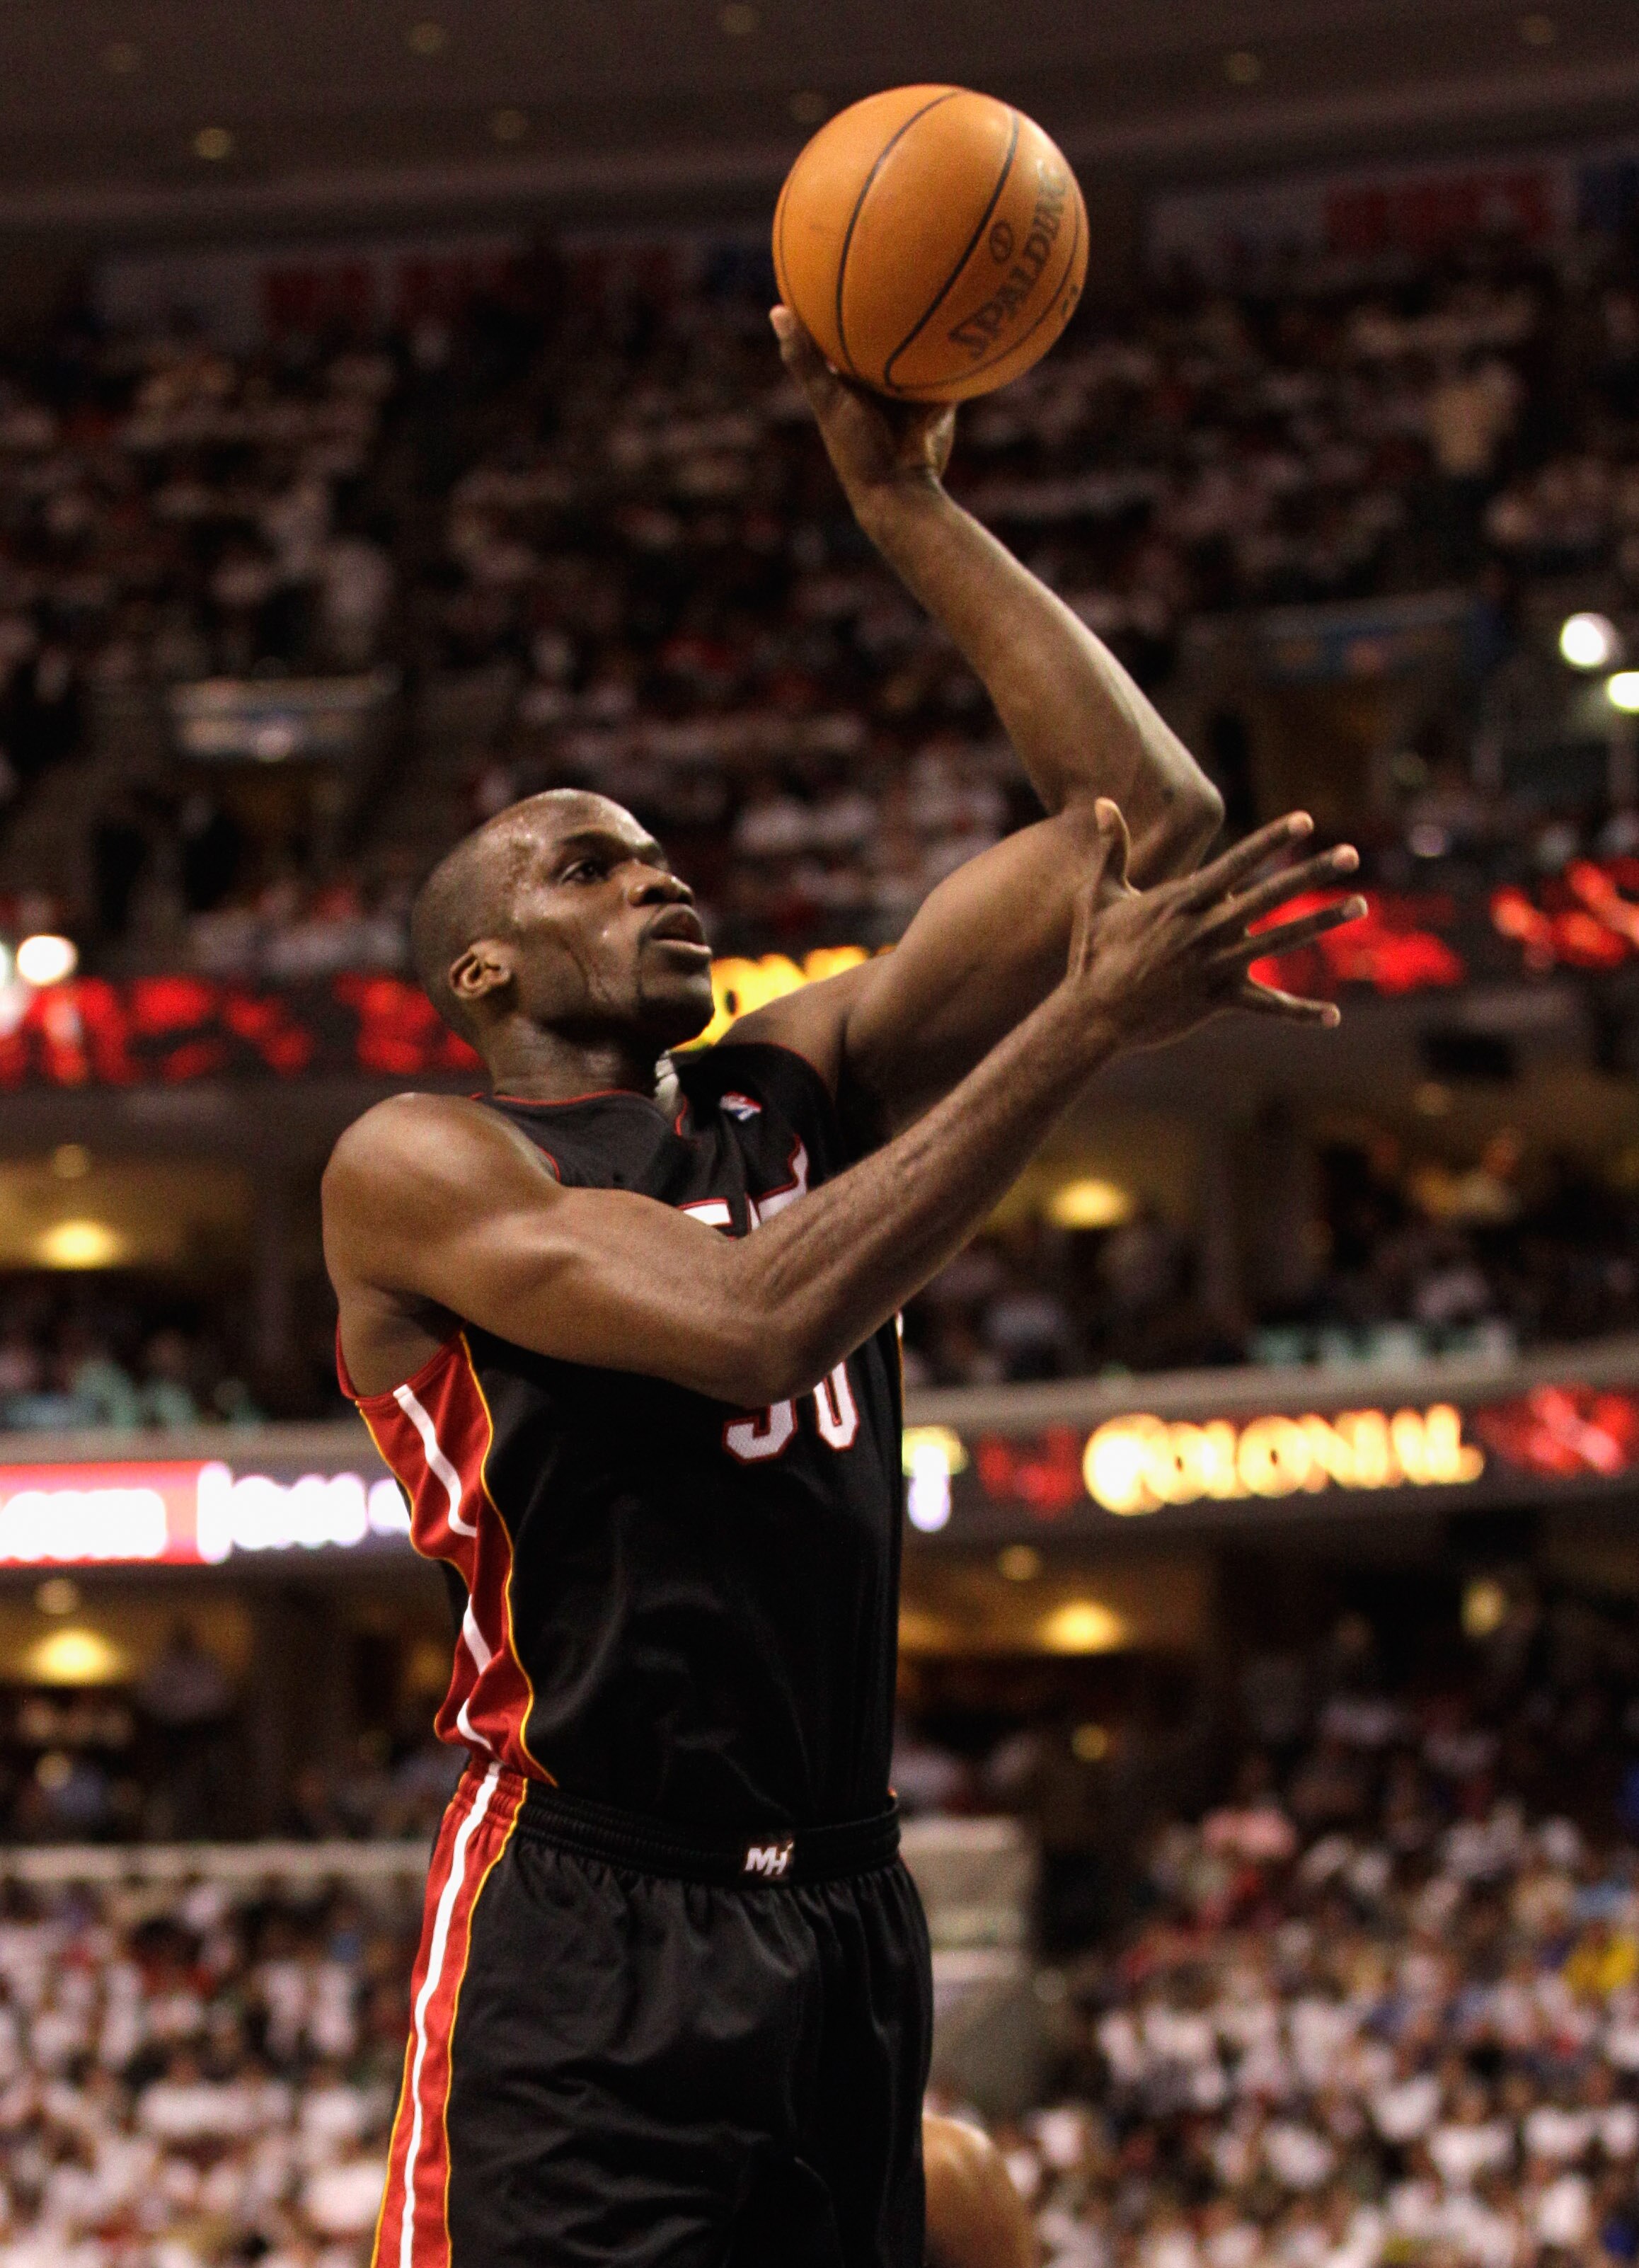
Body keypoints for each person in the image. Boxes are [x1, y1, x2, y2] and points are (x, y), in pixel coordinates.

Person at [322, 309, 1364, 2268]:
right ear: (480, 975)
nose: (653, 877)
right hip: (584, 1907)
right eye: (582, 866)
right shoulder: (423, 1162)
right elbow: (752, 1320)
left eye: (653, 852)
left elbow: (1138, 836)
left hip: (844, 1909)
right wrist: (1073, 1032)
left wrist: (905, 501)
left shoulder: (788, 1077)